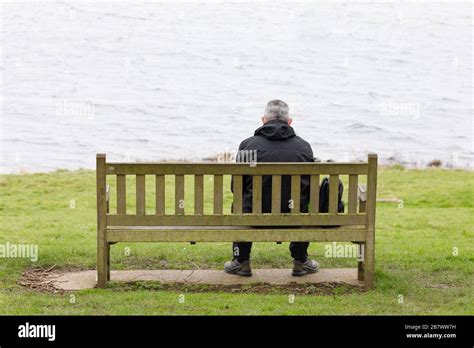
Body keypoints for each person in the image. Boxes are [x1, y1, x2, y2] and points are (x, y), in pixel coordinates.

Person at [224, 100, 320, 277]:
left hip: (254, 217)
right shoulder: (304, 148)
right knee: (303, 204)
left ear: (263, 120)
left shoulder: (248, 146)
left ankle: (241, 260)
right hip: (293, 217)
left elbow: (236, 189)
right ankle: (300, 260)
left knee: (241, 204)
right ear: (289, 122)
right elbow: (309, 189)